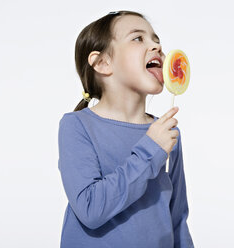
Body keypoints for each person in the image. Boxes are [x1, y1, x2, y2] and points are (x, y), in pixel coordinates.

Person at [57, 10, 194, 248]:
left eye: (156, 40)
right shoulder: (76, 125)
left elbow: (177, 218)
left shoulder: (167, 132)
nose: (157, 47)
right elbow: (91, 209)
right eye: (138, 38)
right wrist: (151, 150)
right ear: (103, 63)